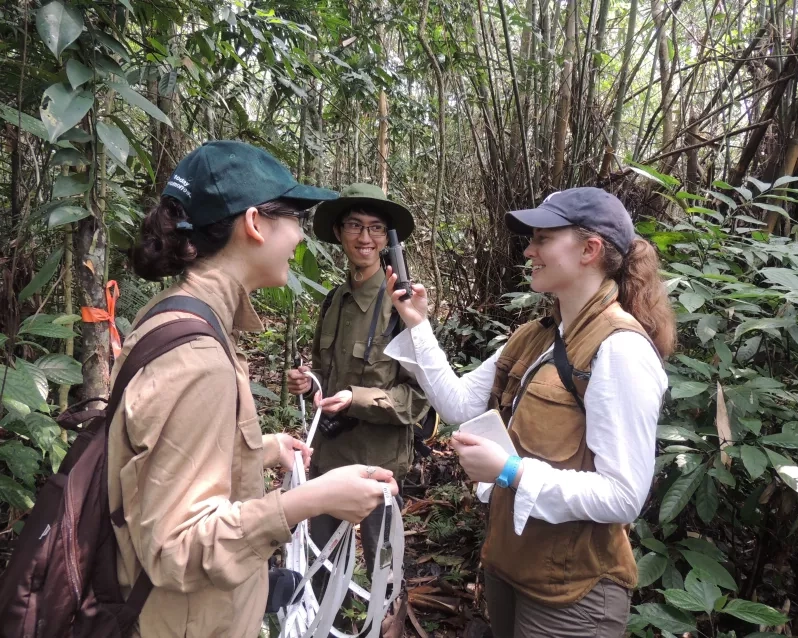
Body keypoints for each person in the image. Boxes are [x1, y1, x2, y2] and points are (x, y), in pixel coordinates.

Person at [109, 141, 399, 638]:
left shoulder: (176, 313)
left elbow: (165, 458)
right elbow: (176, 546)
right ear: (255, 224)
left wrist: (261, 451)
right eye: (293, 219)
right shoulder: (199, 358)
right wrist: (304, 504)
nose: (297, 239)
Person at [384, 187, 676, 638]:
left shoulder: (620, 350)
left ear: (589, 249)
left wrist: (511, 472)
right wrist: (416, 323)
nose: (529, 250)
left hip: (573, 593)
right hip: (510, 565)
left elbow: (624, 496)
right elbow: (457, 403)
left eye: (542, 238)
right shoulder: (533, 337)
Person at [286, 183, 428, 596]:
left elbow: (417, 398)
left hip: (378, 462)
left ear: (387, 240)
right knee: (320, 560)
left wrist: (355, 398)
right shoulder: (334, 301)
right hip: (329, 457)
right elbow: (325, 376)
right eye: (354, 226)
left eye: (376, 229)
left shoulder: (402, 305)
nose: (364, 238)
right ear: (340, 233)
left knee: (384, 566)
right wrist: (306, 382)